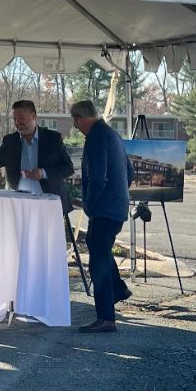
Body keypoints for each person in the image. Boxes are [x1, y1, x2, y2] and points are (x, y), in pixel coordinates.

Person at [71, 99, 132, 333]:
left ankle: (106, 317)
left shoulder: (96, 137)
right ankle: (118, 290)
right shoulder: (112, 134)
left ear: (79, 118)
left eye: (75, 122)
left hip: (104, 209)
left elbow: (97, 178)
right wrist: (120, 193)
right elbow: (130, 171)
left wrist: (89, 204)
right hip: (117, 206)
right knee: (101, 250)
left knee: (98, 259)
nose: (75, 127)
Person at [0, 99, 76, 211]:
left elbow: (68, 168)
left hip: (49, 204)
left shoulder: (53, 138)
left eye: (21, 118)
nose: (17, 122)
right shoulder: (10, 141)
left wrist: (43, 173)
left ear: (33, 116)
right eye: (15, 119)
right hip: (19, 204)